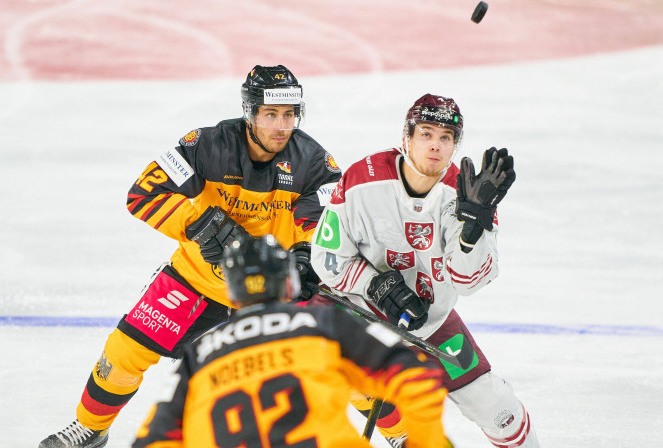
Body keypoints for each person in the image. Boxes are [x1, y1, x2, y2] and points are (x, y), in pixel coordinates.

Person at [38, 65, 342, 448]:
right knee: (125, 349)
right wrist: (202, 224)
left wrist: (304, 260)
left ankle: (400, 437)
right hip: (200, 278)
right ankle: (90, 427)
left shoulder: (314, 161)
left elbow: (324, 226)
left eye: (290, 114)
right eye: (271, 114)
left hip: (273, 287)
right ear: (250, 112)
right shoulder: (206, 144)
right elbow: (142, 194)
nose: (282, 126)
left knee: (339, 359)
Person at [309, 93, 541, 448]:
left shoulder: (470, 197)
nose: (435, 145)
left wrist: (472, 231)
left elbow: (468, 281)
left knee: (496, 408)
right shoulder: (362, 179)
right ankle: (402, 434)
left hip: (429, 321)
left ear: (455, 145)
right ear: (406, 139)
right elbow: (327, 258)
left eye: (445, 137)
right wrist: (378, 288)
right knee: (318, 359)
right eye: (426, 134)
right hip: (357, 312)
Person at [132, 235, 453, 448]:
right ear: (289, 282)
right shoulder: (324, 323)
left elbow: (152, 439)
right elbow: (419, 378)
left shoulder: (199, 353)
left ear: (230, 293)